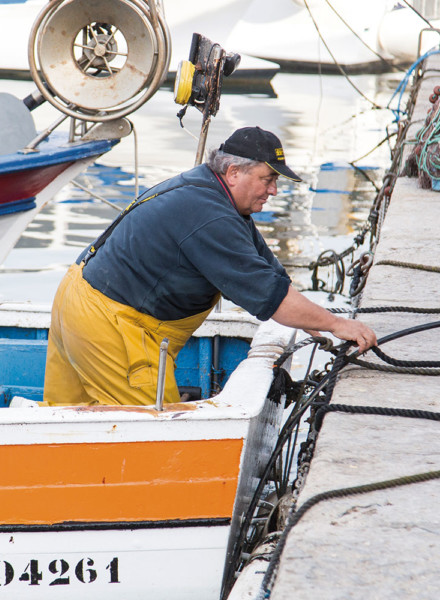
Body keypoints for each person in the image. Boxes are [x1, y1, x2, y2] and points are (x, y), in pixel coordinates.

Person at [44, 126, 377, 406]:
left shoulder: (210, 192)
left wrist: (311, 319)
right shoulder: (211, 216)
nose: (273, 190)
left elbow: (268, 271)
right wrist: (337, 324)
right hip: (110, 325)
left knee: (63, 423)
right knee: (154, 433)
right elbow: (270, 297)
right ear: (234, 173)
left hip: (76, 298)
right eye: (267, 179)